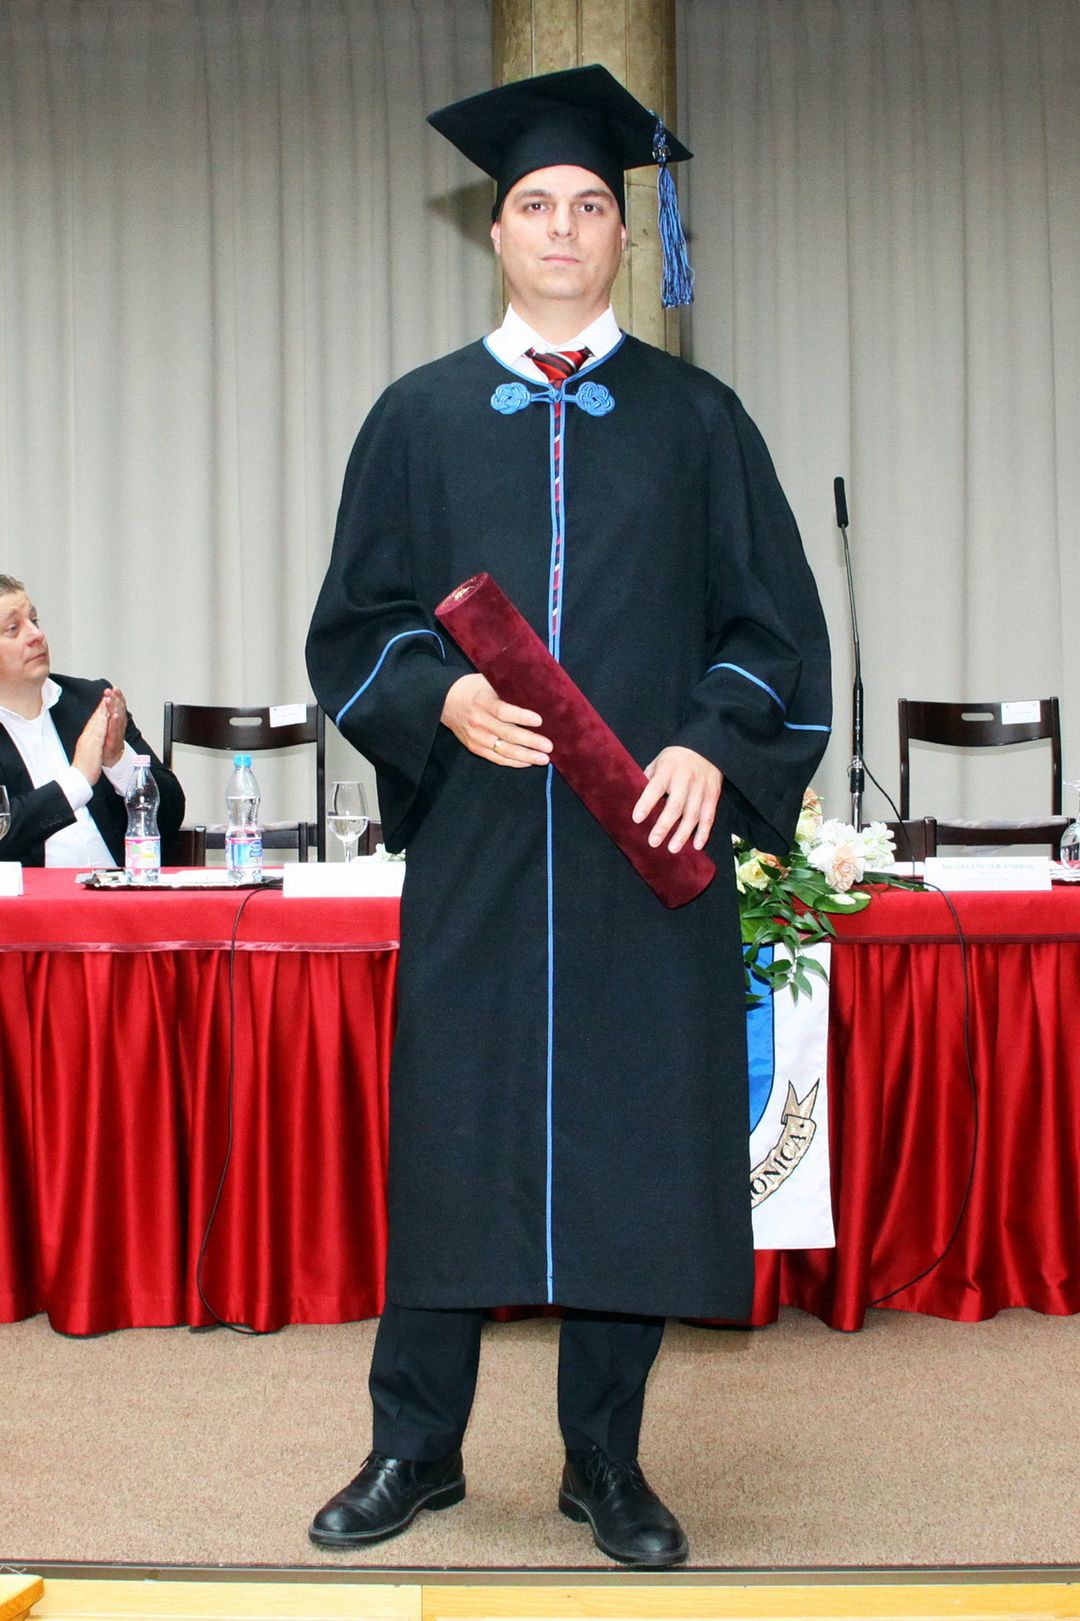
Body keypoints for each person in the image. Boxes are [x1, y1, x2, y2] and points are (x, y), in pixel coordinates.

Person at [305, 65, 831, 1568]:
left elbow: (773, 630)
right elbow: (356, 625)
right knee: (451, 1136)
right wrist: (438, 699)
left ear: (622, 233)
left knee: (634, 1145)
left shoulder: (698, 420)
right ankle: (415, 1446)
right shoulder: (416, 419)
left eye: (590, 205)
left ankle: (605, 1458)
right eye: (534, 203)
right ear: (495, 229)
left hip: (637, 846)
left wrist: (715, 745)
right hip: (480, 844)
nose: (560, 228)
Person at [0, 574, 184, 866]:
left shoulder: (91, 701)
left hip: (117, 887)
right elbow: (4, 832)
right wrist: (78, 779)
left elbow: (171, 815)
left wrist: (118, 759)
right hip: (30, 895)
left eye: (34, 620)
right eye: (13, 628)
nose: (36, 635)